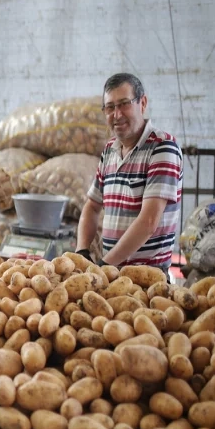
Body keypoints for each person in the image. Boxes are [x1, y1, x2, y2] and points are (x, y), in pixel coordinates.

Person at [76, 73, 183, 277]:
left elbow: (149, 222)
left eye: (124, 104)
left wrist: (104, 264)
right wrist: (81, 251)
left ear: (142, 103)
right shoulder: (109, 150)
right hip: (112, 275)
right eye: (109, 107)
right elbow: (91, 206)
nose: (116, 115)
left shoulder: (162, 148)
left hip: (148, 279)